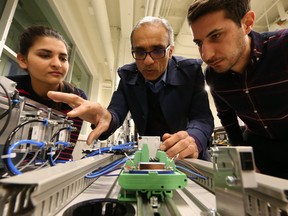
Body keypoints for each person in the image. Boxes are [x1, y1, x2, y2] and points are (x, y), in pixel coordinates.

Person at [48, 16, 214, 160]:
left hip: (187, 158)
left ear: (170, 51)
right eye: (140, 52)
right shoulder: (128, 76)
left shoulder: (191, 72)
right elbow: (116, 112)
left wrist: (193, 139)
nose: (148, 61)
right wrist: (105, 118)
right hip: (149, 156)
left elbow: (203, 118)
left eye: (157, 51)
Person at [187, 0, 288, 179]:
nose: (206, 55)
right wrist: (244, 157)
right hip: (261, 155)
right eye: (199, 43)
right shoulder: (213, 76)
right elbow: (227, 118)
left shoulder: (282, 47)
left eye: (216, 36)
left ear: (247, 23)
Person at [7, 25, 87, 161]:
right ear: (22, 60)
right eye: (45, 55)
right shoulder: (8, 89)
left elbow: (62, 156)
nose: (57, 64)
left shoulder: (75, 99)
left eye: (63, 58)